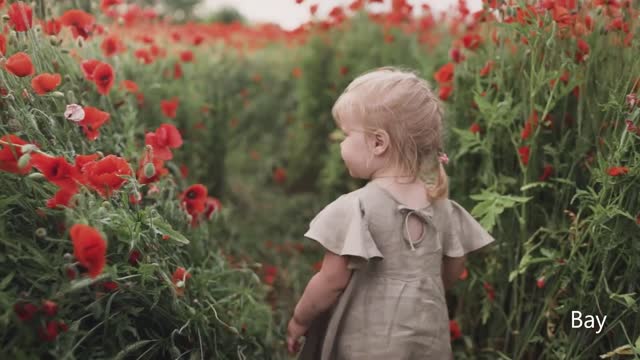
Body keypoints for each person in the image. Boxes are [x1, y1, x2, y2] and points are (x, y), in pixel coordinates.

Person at [286, 66, 495, 359]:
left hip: (365, 342)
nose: (342, 144)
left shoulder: (356, 208)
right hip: (429, 340)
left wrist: (300, 320)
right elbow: (453, 269)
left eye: (346, 134)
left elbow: (331, 281)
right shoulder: (444, 207)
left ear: (378, 142)